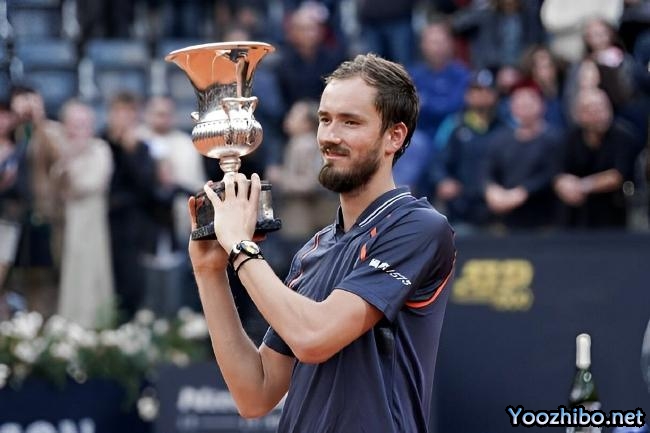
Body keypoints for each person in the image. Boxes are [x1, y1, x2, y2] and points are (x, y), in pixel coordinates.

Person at [188, 54, 456, 432]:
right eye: (325, 119)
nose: (330, 136)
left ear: (394, 136)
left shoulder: (418, 227)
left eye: (350, 122)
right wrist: (210, 271)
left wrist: (240, 247)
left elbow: (314, 338)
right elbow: (255, 393)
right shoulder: (313, 251)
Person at [52, 100, 114, 328]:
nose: (81, 130)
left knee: (93, 272)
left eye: (85, 124)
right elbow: (54, 184)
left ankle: (96, 326)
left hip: (92, 223)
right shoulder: (62, 150)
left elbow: (91, 183)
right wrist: (68, 158)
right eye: (76, 124)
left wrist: (72, 160)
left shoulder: (100, 149)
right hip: (64, 223)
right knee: (69, 275)